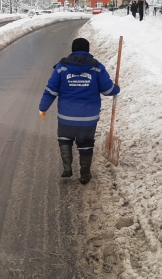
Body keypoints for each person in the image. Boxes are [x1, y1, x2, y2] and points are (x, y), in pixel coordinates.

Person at [39, 38, 121, 185]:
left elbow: (51, 90)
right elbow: (108, 90)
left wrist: (43, 108)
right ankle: (84, 174)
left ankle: (67, 168)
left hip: (66, 117)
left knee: (65, 139)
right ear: (88, 50)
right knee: (86, 143)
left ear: (72, 50)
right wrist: (117, 88)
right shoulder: (97, 68)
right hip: (88, 118)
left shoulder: (61, 68)